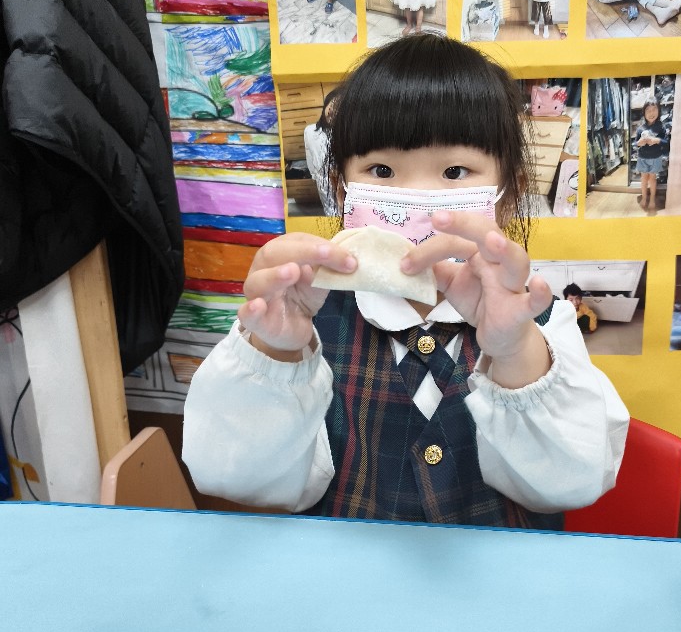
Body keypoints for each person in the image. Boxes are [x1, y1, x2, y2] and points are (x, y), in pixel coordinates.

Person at [183, 34, 629, 527]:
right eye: (382, 169)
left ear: (507, 194)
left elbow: (575, 482)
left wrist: (515, 350)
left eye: (454, 171)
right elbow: (232, 477)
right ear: (343, 191)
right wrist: (275, 354)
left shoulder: (544, 326)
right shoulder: (306, 324)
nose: (418, 196)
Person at [303, 87, 343, 216]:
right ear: (326, 104)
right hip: (322, 177)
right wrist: (314, 174)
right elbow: (309, 152)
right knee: (329, 207)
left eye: (340, 109)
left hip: (341, 177)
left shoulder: (343, 132)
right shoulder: (310, 131)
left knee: (343, 207)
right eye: (333, 105)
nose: (335, 112)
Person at [632, 97, 667, 214]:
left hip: (656, 158)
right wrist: (639, 143)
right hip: (642, 158)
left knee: (652, 179)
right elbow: (635, 144)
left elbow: (666, 142)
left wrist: (657, 140)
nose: (651, 113)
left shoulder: (661, 127)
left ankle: (652, 199)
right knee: (643, 179)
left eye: (654, 109)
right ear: (644, 113)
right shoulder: (640, 128)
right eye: (648, 110)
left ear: (659, 111)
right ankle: (644, 197)